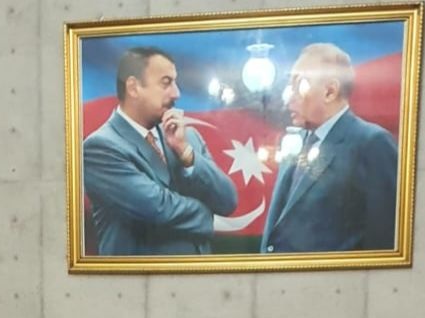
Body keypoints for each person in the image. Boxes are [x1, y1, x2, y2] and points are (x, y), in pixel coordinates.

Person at [83, 46, 237, 256]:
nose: (176, 93)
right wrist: (207, 214)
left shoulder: (187, 137)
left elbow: (227, 201)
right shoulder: (101, 148)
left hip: (198, 273)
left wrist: (186, 154)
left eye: (175, 82)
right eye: (166, 83)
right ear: (133, 87)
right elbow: (159, 209)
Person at [261, 42, 398, 254]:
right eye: (290, 85)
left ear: (330, 91)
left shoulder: (372, 143)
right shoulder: (296, 141)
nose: (289, 96)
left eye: (300, 85)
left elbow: (383, 240)